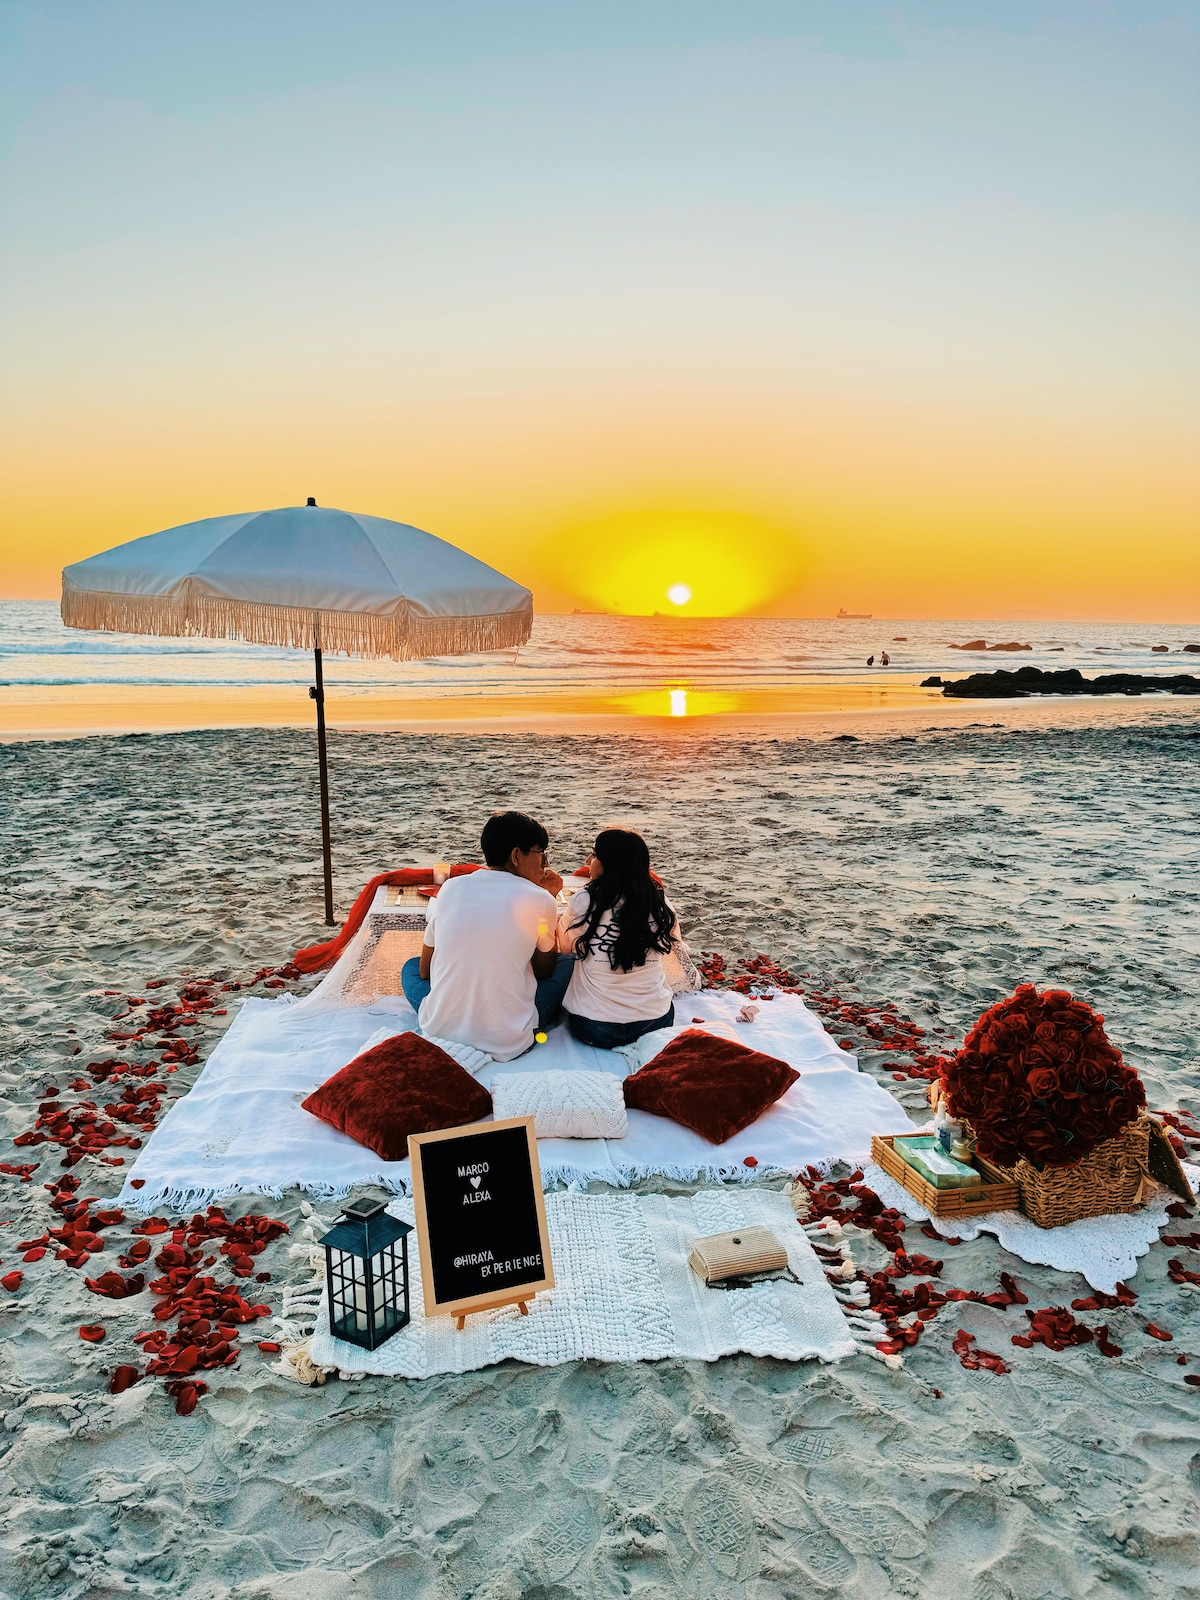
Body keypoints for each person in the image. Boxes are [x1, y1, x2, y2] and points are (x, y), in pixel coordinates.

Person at [400, 811, 574, 1062]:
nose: (544, 864)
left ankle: (451, 1011)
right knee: (568, 962)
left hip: (439, 1030)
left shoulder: (450, 888)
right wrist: (546, 897)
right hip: (509, 1040)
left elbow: (425, 971)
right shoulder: (540, 898)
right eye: (541, 855)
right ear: (516, 855)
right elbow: (545, 971)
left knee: (411, 967)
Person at [557, 827, 682, 1049]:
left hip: (595, 1027)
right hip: (654, 1023)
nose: (588, 861)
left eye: (594, 855)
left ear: (608, 864)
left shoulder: (584, 901)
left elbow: (566, 949)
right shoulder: (659, 903)